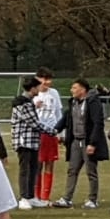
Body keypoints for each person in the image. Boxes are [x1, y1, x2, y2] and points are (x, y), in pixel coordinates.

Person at [53, 78, 108, 209]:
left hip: (87, 141)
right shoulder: (73, 102)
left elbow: (98, 123)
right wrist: (56, 129)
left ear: (83, 89)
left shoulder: (93, 102)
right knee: (72, 170)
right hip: (75, 141)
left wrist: (92, 143)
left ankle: (93, 199)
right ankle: (67, 198)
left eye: (74, 88)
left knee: (91, 171)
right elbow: (67, 117)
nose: (71, 90)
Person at [31, 69, 64, 205]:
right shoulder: (33, 94)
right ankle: (36, 196)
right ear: (38, 79)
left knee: (50, 163)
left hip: (51, 132)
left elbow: (58, 113)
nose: (47, 82)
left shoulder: (54, 93)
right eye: (44, 79)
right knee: (37, 165)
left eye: (49, 79)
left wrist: (61, 132)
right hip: (38, 133)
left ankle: (45, 197)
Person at [11, 77, 43, 208]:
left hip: (32, 141)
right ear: (33, 88)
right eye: (38, 87)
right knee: (25, 169)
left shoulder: (29, 102)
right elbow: (34, 123)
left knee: (33, 168)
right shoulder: (23, 104)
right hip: (24, 141)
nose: (40, 89)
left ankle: (30, 196)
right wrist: (54, 130)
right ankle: (23, 198)